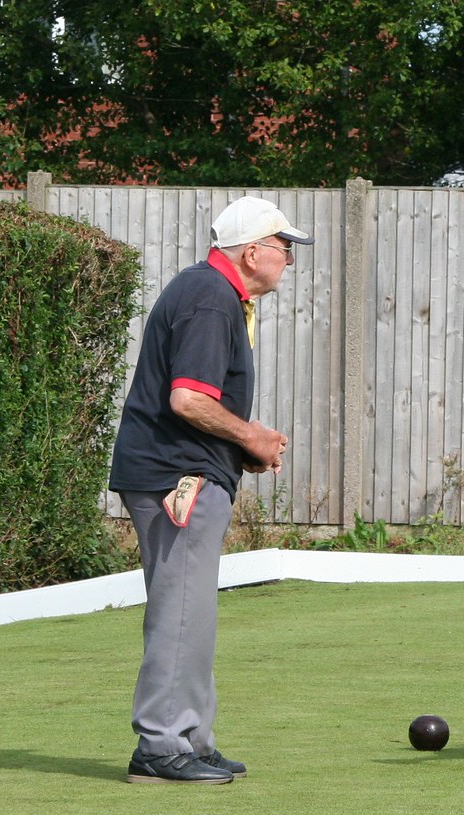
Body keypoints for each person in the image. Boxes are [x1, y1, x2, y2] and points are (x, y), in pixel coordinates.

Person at [109, 196, 313, 784]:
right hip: (178, 477)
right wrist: (249, 438)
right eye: (284, 248)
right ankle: (161, 745)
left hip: (184, 470)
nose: (289, 262)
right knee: (181, 610)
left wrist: (240, 447)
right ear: (252, 252)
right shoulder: (210, 299)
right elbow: (189, 399)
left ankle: (191, 738)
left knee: (190, 610)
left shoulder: (216, 295)